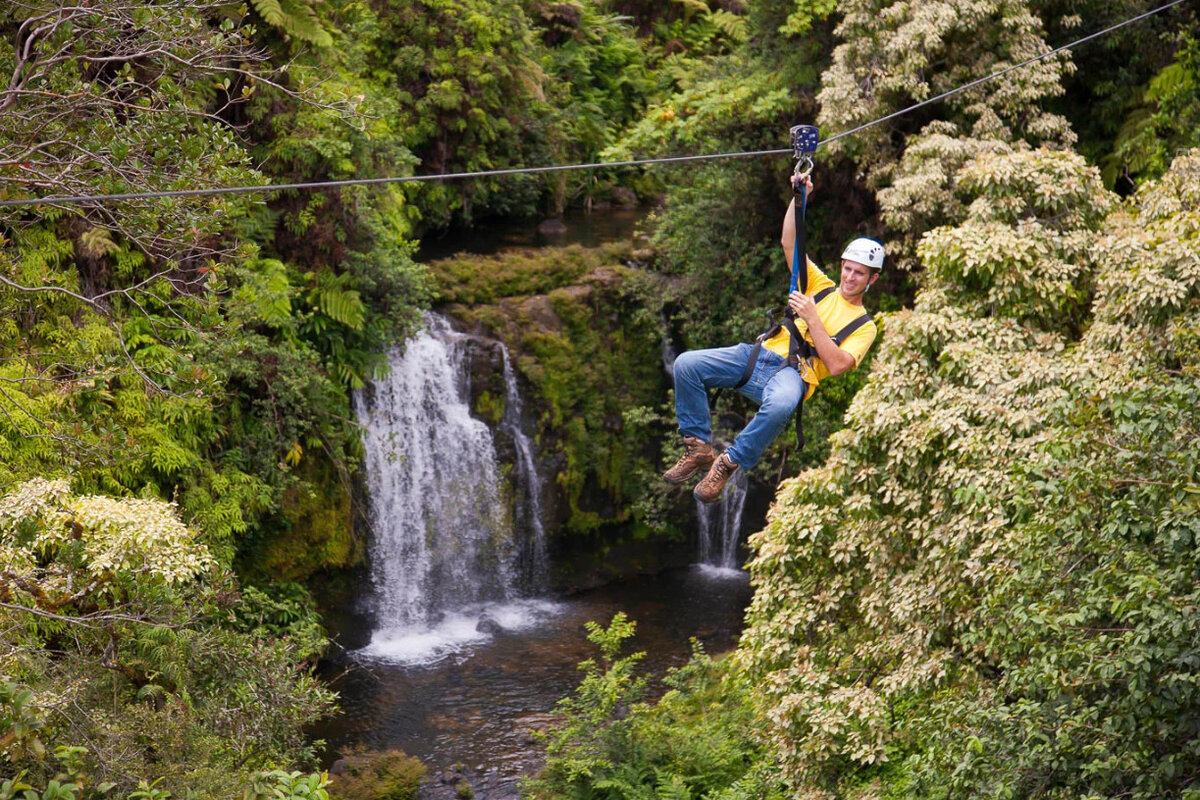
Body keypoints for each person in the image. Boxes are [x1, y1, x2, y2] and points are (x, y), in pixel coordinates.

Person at [663, 175, 884, 502]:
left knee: (781, 404)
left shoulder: (865, 326)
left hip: (794, 375)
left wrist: (812, 319)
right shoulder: (819, 286)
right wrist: (800, 199)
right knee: (686, 365)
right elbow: (790, 244)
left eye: (859, 273)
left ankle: (729, 461)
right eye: (847, 269)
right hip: (759, 356)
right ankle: (698, 447)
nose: (850, 278)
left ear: (872, 279)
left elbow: (837, 365)